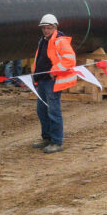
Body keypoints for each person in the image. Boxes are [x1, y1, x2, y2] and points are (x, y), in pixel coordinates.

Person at [31, 13, 78, 154]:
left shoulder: (59, 40)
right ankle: (47, 137)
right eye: (44, 28)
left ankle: (57, 142)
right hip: (42, 80)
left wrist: (54, 71)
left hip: (52, 81)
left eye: (49, 28)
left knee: (53, 111)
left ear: (55, 27)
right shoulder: (43, 40)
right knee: (42, 111)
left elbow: (70, 59)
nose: (46, 30)